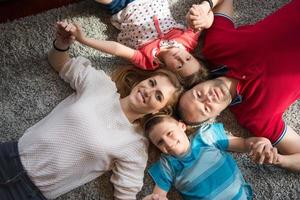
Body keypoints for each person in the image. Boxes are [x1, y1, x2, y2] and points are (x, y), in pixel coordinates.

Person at [0, 21, 184, 200]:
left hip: (29, 193)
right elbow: (60, 63)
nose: (149, 92)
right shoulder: (101, 85)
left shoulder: (135, 146)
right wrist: (62, 43)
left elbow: (125, 195)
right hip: (10, 155)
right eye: (151, 83)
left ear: (160, 110)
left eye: (159, 96)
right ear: (142, 80)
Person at [179, 0, 300, 171]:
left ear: (199, 83)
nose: (208, 98)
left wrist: (205, 7)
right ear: (217, 114)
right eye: (206, 109)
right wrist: (278, 159)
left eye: (198, 95)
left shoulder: (216, 49)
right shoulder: (257, 119)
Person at [67, 0, 215, 87]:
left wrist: (84, 40)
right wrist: (205, 21)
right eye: (188, 58)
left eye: (179, 65)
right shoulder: (187, 42)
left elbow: (117, 49)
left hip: (123, 7)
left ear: (169, 71)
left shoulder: (148, 61)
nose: (181, 57)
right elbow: (206, 17)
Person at [142, 115, 278, 200]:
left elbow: (243, 143)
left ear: (182, 126)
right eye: (160, 142)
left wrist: (260, 142)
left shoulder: (206, 137)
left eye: (169, 133)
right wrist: (155, 197)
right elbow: (159, 194)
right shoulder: (166, 164)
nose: (168, 143)